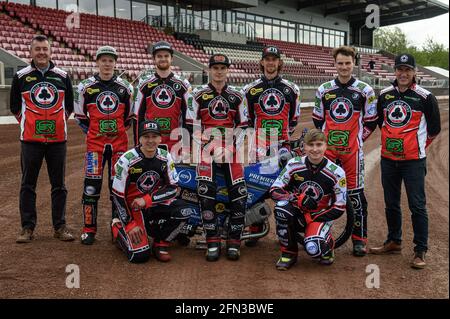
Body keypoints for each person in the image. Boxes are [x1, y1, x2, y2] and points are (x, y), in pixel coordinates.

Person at [369, 53, 441, 269]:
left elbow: (434, 129)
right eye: (400, 69)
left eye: (407, 70)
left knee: (417, 205)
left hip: (413, 162)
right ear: (395, 71)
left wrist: (415, 146)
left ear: (414, 72)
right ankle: (394, 241)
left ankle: (420, 250)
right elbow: (382, 123)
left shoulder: (425, 97)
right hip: (389, 160)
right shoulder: (384, 94)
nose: (403, 73)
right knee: (391, 202)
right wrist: (394, 142)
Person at [313, 46, 378, 257]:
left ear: (354, 64)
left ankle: (359, 239)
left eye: (347, 63)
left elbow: (370, 121)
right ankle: (320, 235)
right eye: (340, 63)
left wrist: (357, 139)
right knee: (323, 193)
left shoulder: (365, 90)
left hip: (352, 153)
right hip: (328, 153)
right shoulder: (324, 89)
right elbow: (318, 120)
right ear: (335, 64)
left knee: (356, 195)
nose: (344, 67)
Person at [11, 35, 74, 243]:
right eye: (37, 49)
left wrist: (56, 124)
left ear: (50, 51)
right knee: (28, 184)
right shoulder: (21, 76)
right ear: (31, 52)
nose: (41, 53)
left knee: (59, 185)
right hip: (30, 141)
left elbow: (69, 107)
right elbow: (14, 106)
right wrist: (30, 124)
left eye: (44, 49)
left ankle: (60, 226)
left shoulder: (63, 76)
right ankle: (27, 228)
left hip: (57, 141)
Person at [186, 54, 248, 261]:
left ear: (227, 70)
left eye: (223, 67)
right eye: (215, 67)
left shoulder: (238, 96)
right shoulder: (197, 94)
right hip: (205, 151)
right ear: (209, 70)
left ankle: (234, 241)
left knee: (239, 194)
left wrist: (230, 149)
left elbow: (243, 125)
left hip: (232, 152)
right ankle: (212, 240)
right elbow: (191, 125)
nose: (219, 71)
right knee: (205, 194)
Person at [241, 45, 301, 247]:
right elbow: (247, 119)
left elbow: (294, 119)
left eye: (274, 59)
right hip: (257, 146)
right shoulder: (249, 90)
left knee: (285, 185)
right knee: (255, 186)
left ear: (279, 62)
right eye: (267, 59)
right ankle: (255, 230)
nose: (270, 62)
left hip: (282, 146)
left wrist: (281, 138)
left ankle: (287, 228)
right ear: (261, 62)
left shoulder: (292, 88)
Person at [74, 46, 134, 245]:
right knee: (91, 186)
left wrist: (114, 132)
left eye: (111, 60)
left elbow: (129, 118)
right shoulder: (85, 87)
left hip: (119, 146)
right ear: (97, 62)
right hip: (95, 148)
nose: (107, 64)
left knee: (118, 185)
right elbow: (81, 117)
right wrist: (95, 133)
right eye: (103, 60)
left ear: (115, 63)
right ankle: (89, 228)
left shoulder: (126, 87)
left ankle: (117, 227)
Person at [111, 120, 192, 263]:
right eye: (146, 136)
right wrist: (129, 224)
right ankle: (117, 226)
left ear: (160, 138)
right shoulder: (127, 160)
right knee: (139, 256)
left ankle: (161, 243)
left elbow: (173, 188)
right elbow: (117, 195)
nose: (150, 141)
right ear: (139, 139)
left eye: (154, 137)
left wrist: (148, 200)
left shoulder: (165, 156)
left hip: (153, 203)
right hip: (133, 208)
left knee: (185, 210)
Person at [270, 129, 347, 270]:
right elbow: (274, 190)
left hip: (320, 216)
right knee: (281, 208)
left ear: (325, 146)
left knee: (313, 248)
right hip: (298, 212)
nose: (315, 149)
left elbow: (340, 207)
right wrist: (296, 197)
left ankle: (327, 244)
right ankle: (288, 253)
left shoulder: (336, 172)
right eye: (311, 145)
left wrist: (314, 217)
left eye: (319, 144)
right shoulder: (294, 164)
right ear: (304, 146)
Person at [134, 41, 192, 155]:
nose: (163, 59)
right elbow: (137, 117)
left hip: (176, 141)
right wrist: (138, 144)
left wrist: (187, 145)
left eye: (166, 56)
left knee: (174, 173)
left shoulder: (183, 84)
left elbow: (188, 118)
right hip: (150, 140)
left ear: (172, 58)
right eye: (159, 56)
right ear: (154, 59)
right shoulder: (144, 84)